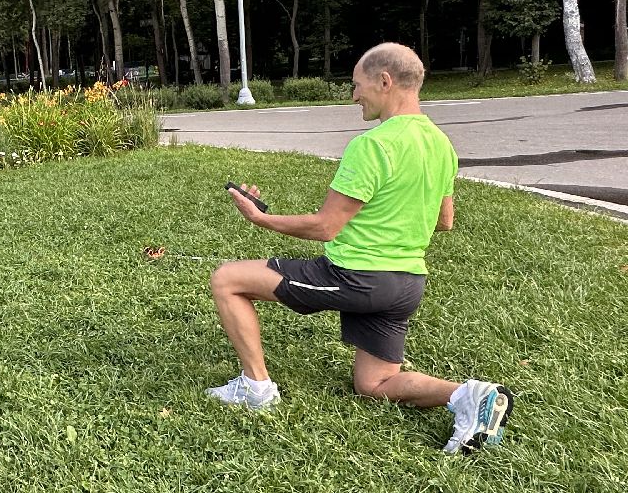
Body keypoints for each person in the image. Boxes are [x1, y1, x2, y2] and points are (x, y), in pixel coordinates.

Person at [209, 42, 514, 456]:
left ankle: (255, 387)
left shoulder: (372, 146)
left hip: (356, 279)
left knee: (227, 279)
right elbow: (444, 221)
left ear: (384, 81)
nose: (354, 95)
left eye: (357, 86)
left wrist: (260, 218)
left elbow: (325, 226)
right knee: (373, 385)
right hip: (407, 285)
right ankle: (470, 396)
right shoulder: (441, 143)